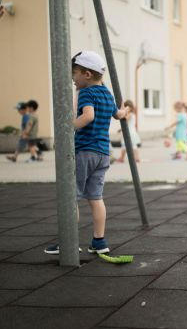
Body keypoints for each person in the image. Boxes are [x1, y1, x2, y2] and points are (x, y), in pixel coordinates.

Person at [45, 51, 127, 255]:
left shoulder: (87, 93)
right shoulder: (107, 93)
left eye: (74, 74)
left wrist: (67, 128)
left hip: (84, 152)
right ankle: (99, 241)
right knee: (96, 198)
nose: (72, 79)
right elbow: (117, 114)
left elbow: (88, 116)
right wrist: (124, 112)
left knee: (71, 197)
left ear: (87, 74)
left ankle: (68, 241)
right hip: (102, 154)